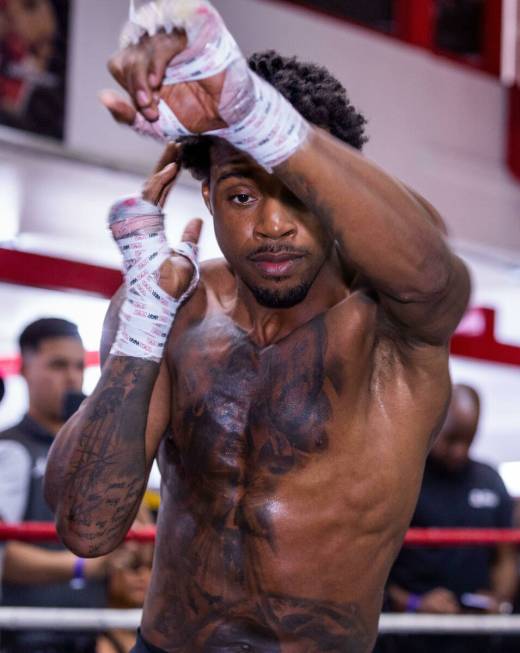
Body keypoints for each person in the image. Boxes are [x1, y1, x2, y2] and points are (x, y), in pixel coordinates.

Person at [44, 2, 471, 651]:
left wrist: (252, 112)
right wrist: (141, 330)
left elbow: (436, 274)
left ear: (337, 193)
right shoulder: (173, 305)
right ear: (207, 195)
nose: (272, 225)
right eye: (242, 195)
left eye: (299, 194)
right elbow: (86, 526)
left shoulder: (391, 320)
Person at [383, 383, 517, 653]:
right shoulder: (404, 480)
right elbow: (375, 568)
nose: (460, 451)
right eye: (452, 439)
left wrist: (498, 600)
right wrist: (414, 603)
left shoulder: (489, 480)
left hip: (475, 635)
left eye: (468, 441)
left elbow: (506, 556)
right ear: (434, 424)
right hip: (410, 636)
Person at [0, 318, 107, 653]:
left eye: (79, 365)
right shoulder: (10, 449)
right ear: (25, 368)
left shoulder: (98, 451)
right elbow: (2, 556)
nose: (72, 377)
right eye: (58, 365)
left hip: (89, 633)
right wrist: (82, 567)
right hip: (22, 637)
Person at [97, 506, 155, 653]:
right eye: (133, 566)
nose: (142, 576)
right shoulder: (102, 643)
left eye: (149, 567)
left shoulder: (159, 636)